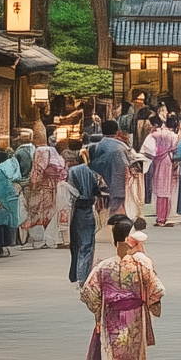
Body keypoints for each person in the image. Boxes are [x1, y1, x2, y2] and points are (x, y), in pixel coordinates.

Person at [79, 214, 164, 360]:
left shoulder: (103, 267)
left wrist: (99, 311)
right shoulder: (140, 265)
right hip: (135, 320)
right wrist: (151, 305)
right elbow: (156, 292)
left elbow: (89, 294)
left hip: (112, 323)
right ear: (128, 239)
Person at [65, 146, 107, 285]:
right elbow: (98, 190)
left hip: (72, 210)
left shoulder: (69, 172)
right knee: (87, 244)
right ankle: (83, 276)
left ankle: (77, 274)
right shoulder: (89, 171)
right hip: (87, 209)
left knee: (76, 243)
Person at [31, 128, 70, 250]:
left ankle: (45, 238)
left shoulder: (41, 151)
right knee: (55, 212)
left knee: (43, 212)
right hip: (58, 187)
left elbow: (38, 170)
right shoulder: (57, 156)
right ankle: (56, 238)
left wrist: (33, 184)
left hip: (45, 188)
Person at [0, 146, 26, 260]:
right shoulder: (10, 170)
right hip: (9, 200)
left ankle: (0, 247)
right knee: (5, 224)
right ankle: (5, 246)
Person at [88, 120, 130, 217]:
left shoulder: (96, 147)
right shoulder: (121, 147)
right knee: (117, 214)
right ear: (117, 131)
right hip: (118, 186)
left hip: (100, 185)